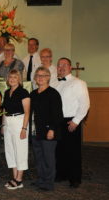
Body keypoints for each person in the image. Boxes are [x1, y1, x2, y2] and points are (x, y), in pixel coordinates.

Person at [55, 57, 90, 188]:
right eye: (59, 65)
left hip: (71, 120)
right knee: (59, 150)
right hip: (58, 121)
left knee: (73, 152)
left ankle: (75, 178)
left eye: (64, 65)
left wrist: (75, 121)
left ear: (70, 67)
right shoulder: (55, 83)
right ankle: (61, 174)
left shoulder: (79, 83)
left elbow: (85, 104)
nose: (61, 67)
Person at [30, 67, 63, 191]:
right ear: (35, 78)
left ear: (48, 77)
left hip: (49, 131)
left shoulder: (53, 94)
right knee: (38, 157)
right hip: (35, 131)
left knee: (48, 158)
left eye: (43, 75)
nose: (40, 77)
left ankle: (48, 183)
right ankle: (41, 179)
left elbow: (58, 115)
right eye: (38, 75)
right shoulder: (33, 94)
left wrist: (52, 129)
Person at [3, 69, 30, 190]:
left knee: (20, 150)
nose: (12, 79)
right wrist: (3, 125)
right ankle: (14, 177)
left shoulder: (23, 92)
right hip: (8, 122)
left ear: (19, 79)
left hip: (20, 121)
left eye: (15, 77)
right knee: (10, 150)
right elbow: (4, 110)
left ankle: (19, 179)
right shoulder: (7, 92)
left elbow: (27, 112)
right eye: (10, 77)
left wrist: (24, 128)